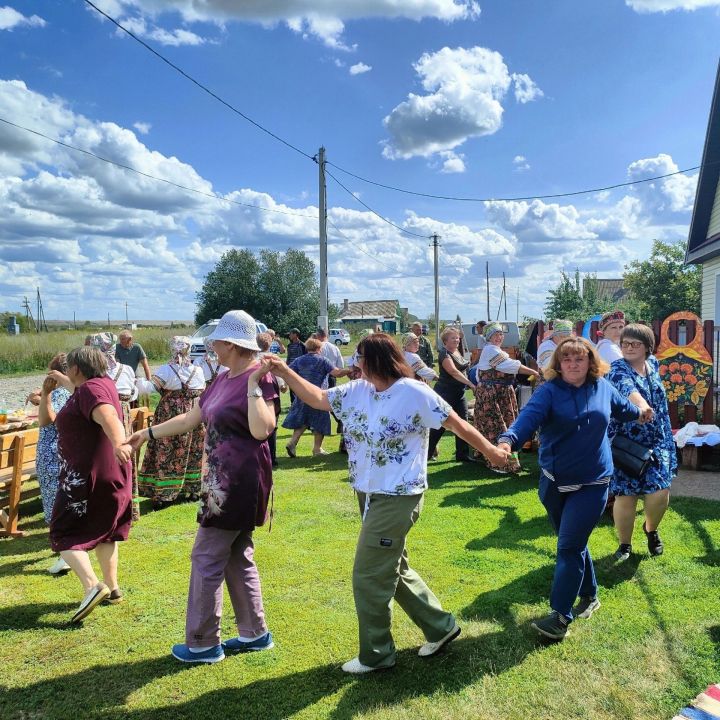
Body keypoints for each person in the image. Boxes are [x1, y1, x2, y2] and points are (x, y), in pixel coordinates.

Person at [261, 333, 510, 673]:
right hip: (367, 492)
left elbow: (458, 424)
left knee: (368, 575)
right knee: (394, 567)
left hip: (399, 495)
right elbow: (319, 398)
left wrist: (493, 452)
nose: (354, 364)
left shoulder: (413, 392)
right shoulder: (358, 391)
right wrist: (284, 371)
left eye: (358, 358)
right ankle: (441, 626)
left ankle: (377, 654)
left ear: (375, 359)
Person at [128, 310, 277, 664]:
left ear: (231, 344)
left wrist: (255, 386)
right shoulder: (222, 377)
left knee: (207, 556)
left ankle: (203, 642)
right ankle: (254, 634)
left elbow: (262, 429)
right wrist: (145, 433)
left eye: (217, 340)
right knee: (236, 555)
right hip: (219, 480)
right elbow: (193, 418)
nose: (211, 345)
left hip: (237, 483)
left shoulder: (258, 378)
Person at [497, 336, 647, 641]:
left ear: (590, 362)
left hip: (593, 482)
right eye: (567, 359)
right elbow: (527, 419)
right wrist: (508, 439)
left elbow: (624, 409)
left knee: (568, 546)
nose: (573, 364)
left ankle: (560, 616)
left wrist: (642, 412)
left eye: (579, 359)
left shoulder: (602, 387)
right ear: (559, 364)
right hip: (553, 482)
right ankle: (591, 596)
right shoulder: (549, 391)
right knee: (574, 543)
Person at [48, 346, 134, 622]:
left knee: (63, 533)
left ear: (75, 368)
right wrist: (57, 381)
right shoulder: (102, 383)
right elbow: (87, 399)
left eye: (68, 368)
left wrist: (119, 441)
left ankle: (92, 587)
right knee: (106, 531)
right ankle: (113, 589)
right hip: (111, 471)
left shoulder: (90, 392)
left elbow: (106, 414)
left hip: (87, 476)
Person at [607, 323, 676, 560]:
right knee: (626, 495)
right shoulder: (617, 369)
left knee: (660, 490)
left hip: (659, 439)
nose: (629, 348)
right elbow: (628, 389)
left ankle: (651, 529)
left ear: (648, 347)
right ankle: (624, 545)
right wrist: (642, 405)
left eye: (635, 344)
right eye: (625, 343)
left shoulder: (653, 364)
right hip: (627, 443)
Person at [135, 337, 206, 509]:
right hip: (194, 411)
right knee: (192, 449)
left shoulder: (167, 370)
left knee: (166, 449)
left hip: (169, 413)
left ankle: (164, 494)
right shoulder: (198, 369)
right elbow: (201, 389)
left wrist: (137, 382)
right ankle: (191, 490)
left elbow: (149, 389)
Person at [473, 322, 540, 473]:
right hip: (493, 394)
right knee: (497, 426)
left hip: (499, 392)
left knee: (503, 424)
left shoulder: (494, 350)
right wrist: (534, 372)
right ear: (489, 337)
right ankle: (500, 463)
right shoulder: (490, 350)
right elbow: (511, 365)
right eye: (495, 335)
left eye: (501, 334)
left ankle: (495, 458)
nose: (499, 337)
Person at [90, 333, 140, 520]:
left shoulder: (94, 375)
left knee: (102, 459)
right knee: (123, 459)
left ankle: (104, 508)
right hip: (123, 416)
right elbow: (133, 394)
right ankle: (127, 507)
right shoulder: (126, 370)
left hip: (101, 418)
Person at [34, 353, 72, 575]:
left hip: (52, 454)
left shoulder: (58, 393)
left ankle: (65, 555)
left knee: (55, 505)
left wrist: (46, 393)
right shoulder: (78, 393)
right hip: (67, 453)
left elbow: (48, 420)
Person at [282, 337, 348, 457]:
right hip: (318, 395)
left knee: (302, 420)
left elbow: (287, 372)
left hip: (302, 395)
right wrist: (349, 370)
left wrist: (287, 385)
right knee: (320, 421)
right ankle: (317, 449)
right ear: (319, 348)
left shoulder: (299, 360)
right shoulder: (323, 360)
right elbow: (337, 373)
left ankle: (292, 442)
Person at [426, 326, 476, 463]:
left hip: (459, 394)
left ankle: (462, 454)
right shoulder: (445, 354)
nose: (457, 340)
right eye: (453, 338)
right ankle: (426, 454)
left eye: (457, 337)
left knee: (463, 422)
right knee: (440, 425)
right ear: (445, 342)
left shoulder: (458, 352)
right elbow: (454, 372)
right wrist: (471, 384)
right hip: (445, 394)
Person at [257, 332, 286, 468]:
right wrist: (283, 386)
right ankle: (272, 458)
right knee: (272, 427)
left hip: (255, 397)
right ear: (270, 343)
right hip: (271, 396)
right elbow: (281, 383)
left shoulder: (251, 360)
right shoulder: (273, 359)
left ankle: (258, 457)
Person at [285, 328, 307, 404]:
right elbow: (288, 357)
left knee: (300, 386)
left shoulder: (303, 345)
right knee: (292, 386)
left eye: (291, 334)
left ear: (295, 335)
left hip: (300, 369)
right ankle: (293, 403)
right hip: (291, 369)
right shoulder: (289, 346)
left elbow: (305, 357)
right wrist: (286, 367)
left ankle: (302, 402)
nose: (289, 335)